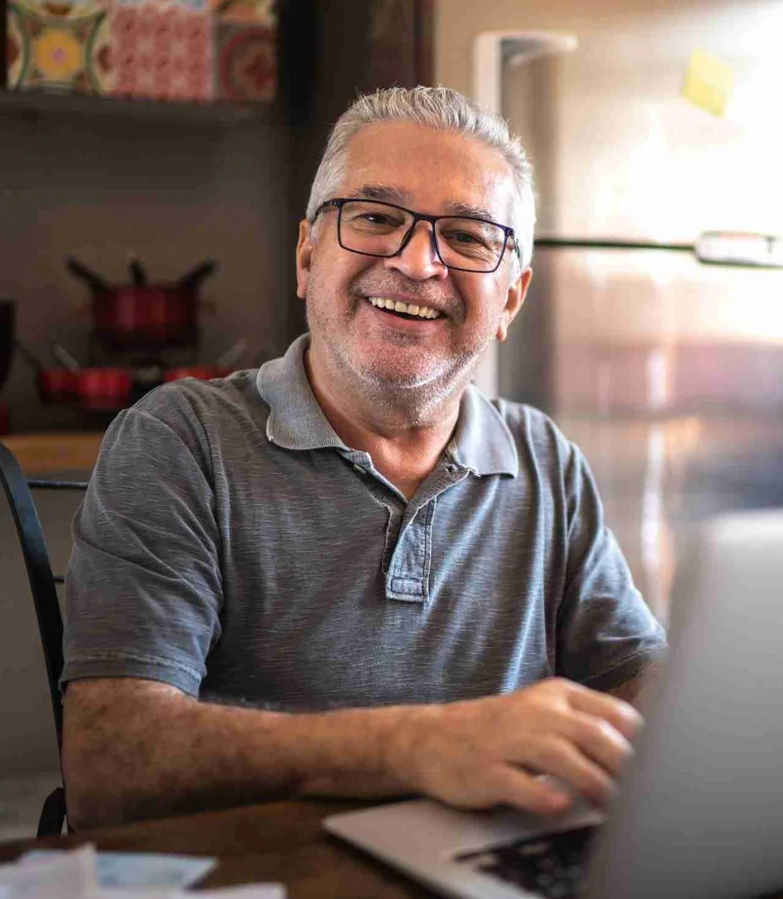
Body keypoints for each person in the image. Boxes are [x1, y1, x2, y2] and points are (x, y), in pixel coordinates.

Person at [61, 87, 666, 830]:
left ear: (510, 299)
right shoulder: (180, 440)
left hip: (487, 869)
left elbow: (636, 682)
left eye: (470, 237)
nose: (417, 262)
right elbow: (108, 762)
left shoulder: (547, 460)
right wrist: (414, 746)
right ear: (308, 256)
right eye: (376, 218)